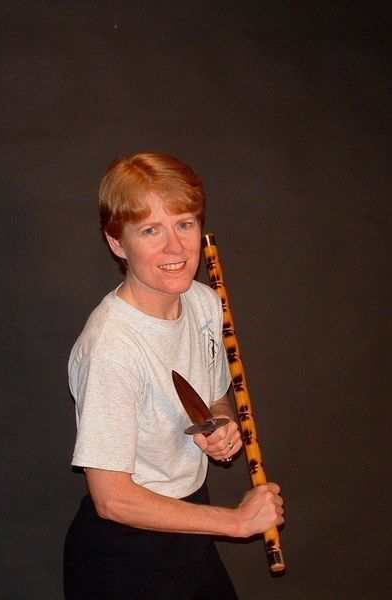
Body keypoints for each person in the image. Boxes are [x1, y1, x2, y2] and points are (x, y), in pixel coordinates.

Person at [63, 151, 284, 599]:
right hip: (124, 554)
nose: (175, 248)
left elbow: (218, 393)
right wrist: (237, 522)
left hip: (188, 526)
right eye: (150, 230)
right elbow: (112, 500)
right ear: (117, 242)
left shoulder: (203, 302)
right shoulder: (112, 346)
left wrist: (219, 423)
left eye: (184, 224)